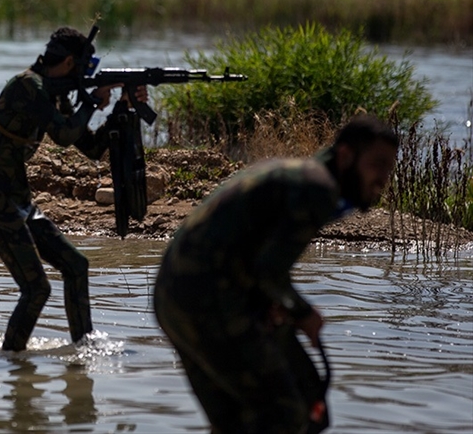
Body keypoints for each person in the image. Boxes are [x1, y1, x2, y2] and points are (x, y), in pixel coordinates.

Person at [153, 114, 399, 433]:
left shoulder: (301, 175)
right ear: (346, 156)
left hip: (171, 299)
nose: (383, 178)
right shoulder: (318, 188)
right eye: (377, 164)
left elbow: (251, 259)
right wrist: (304, 313)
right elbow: (269, 272)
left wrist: (278, 308)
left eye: (389, 168)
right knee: (288, 415)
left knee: (241, 420)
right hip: (207, 301)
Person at [0, 26, 147, 352]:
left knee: (76, 266)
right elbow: (64, 135)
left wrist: (121, 107)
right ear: (68, 63)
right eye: (82, 68)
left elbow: (91, 147)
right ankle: (12, 362)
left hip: (18, 202)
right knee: (36, 288)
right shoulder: (28, 87)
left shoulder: (53, 94)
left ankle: (84, 349)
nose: (84, 75)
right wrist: (93, 103)